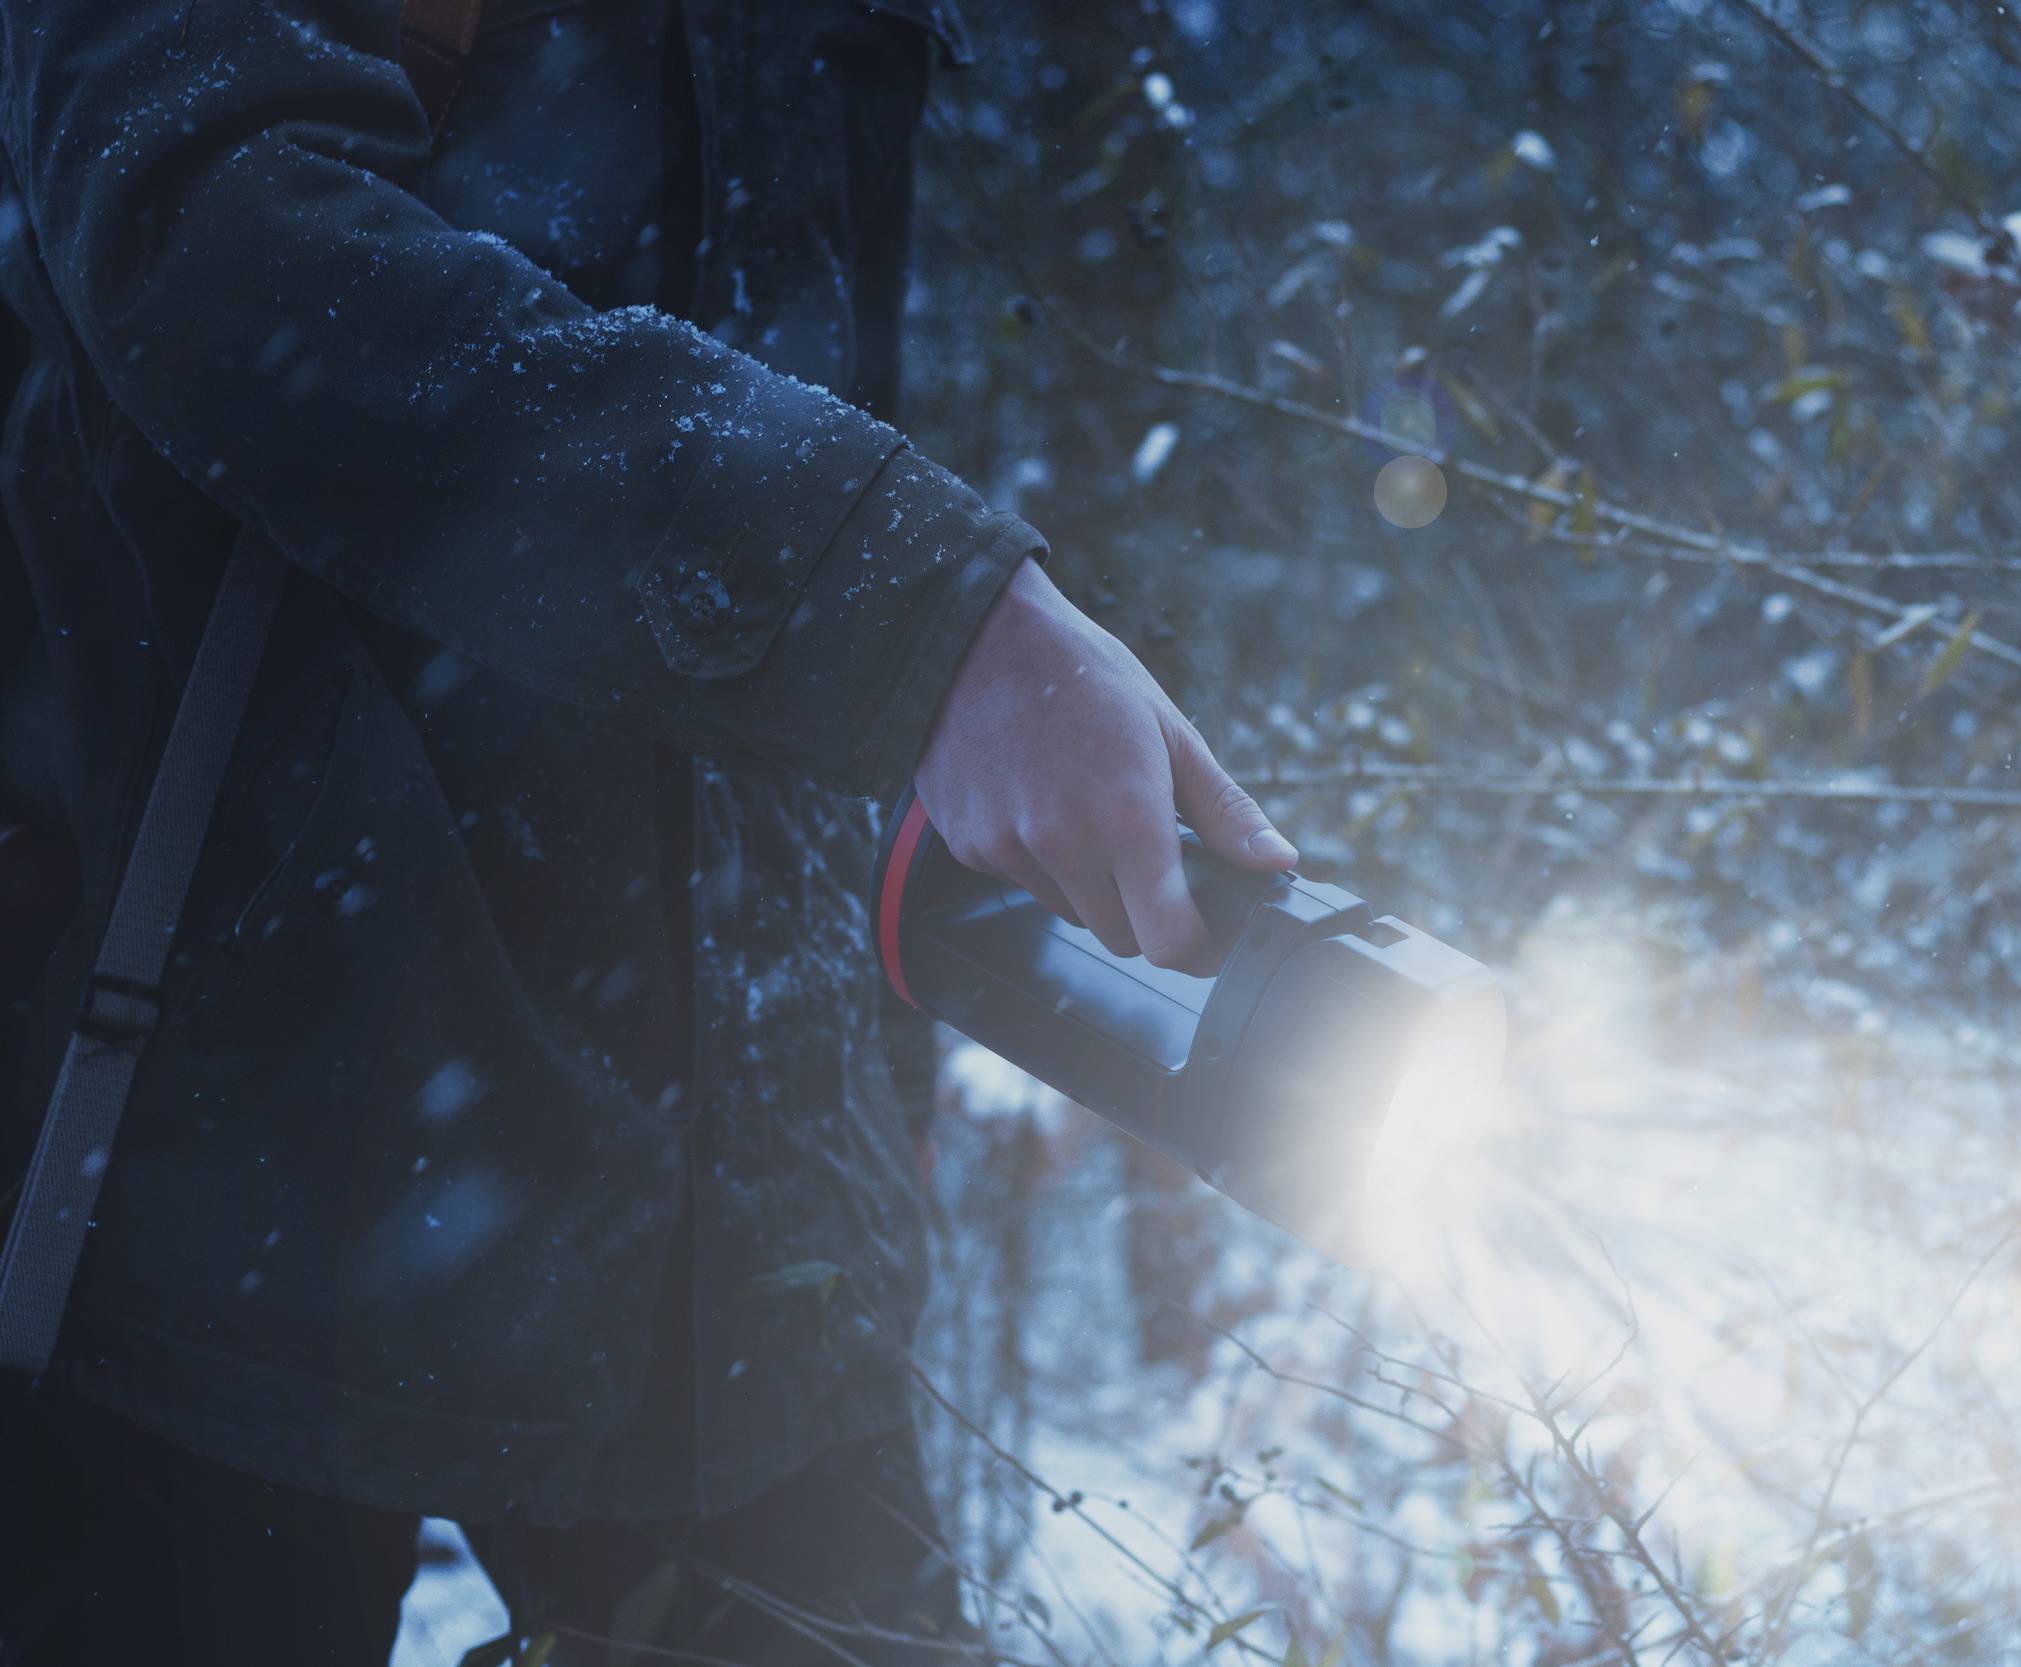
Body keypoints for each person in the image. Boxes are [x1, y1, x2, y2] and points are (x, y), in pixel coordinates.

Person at [0, 0, 1294, 1660]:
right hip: (220, 1132)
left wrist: (867, 1071)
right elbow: (210, 243)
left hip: (744, 1216)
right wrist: (917, 609)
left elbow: (802, 344)